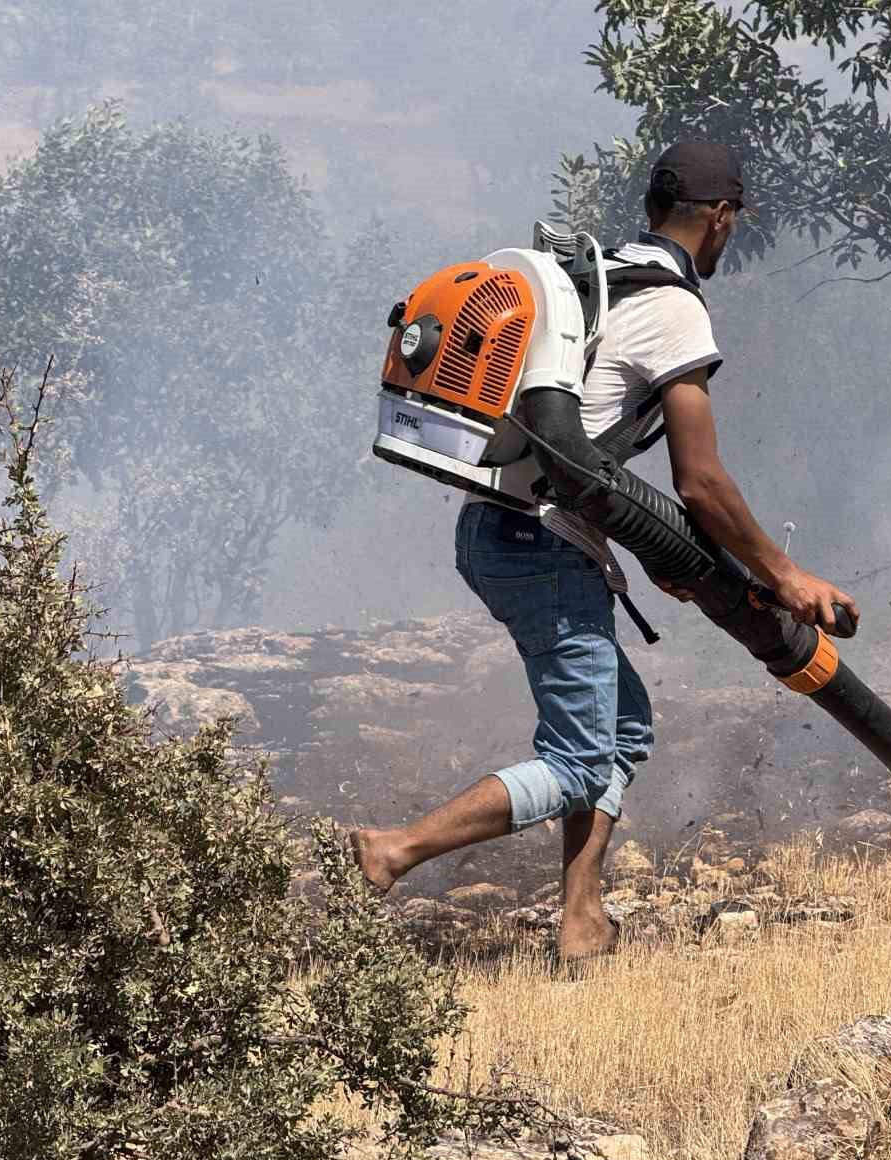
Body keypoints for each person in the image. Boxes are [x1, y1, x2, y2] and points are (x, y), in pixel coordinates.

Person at [351, 142, 858, 966]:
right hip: (540, 543)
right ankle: (396, 849)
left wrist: (664, 553)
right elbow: (699, 482)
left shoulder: (595, 275)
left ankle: (582, 923)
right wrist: (785, 573)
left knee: (621, 729)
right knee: (581, 760)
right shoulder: (674, 306)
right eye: (733, 220)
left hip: (502, 529)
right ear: (720, 217)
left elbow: (588, 445)